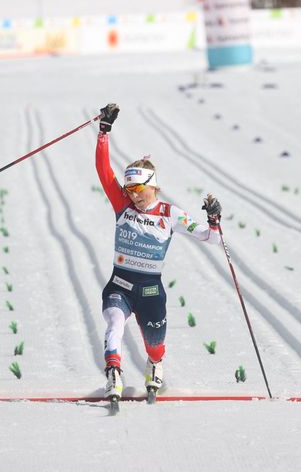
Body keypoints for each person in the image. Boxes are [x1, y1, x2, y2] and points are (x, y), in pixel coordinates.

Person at [95, 103, 223, 400]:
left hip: (151, 291)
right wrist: (103, 132)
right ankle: (113, 372)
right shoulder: (122, 205)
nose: (134, 197)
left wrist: (214, 220)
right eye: (129, 191)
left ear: (153, 186)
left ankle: (155, 365)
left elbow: (211, 239)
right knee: (115, 322)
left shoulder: (170, 214)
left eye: (139, 191)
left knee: (155, 344)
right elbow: (104, 172)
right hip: (120, 286)